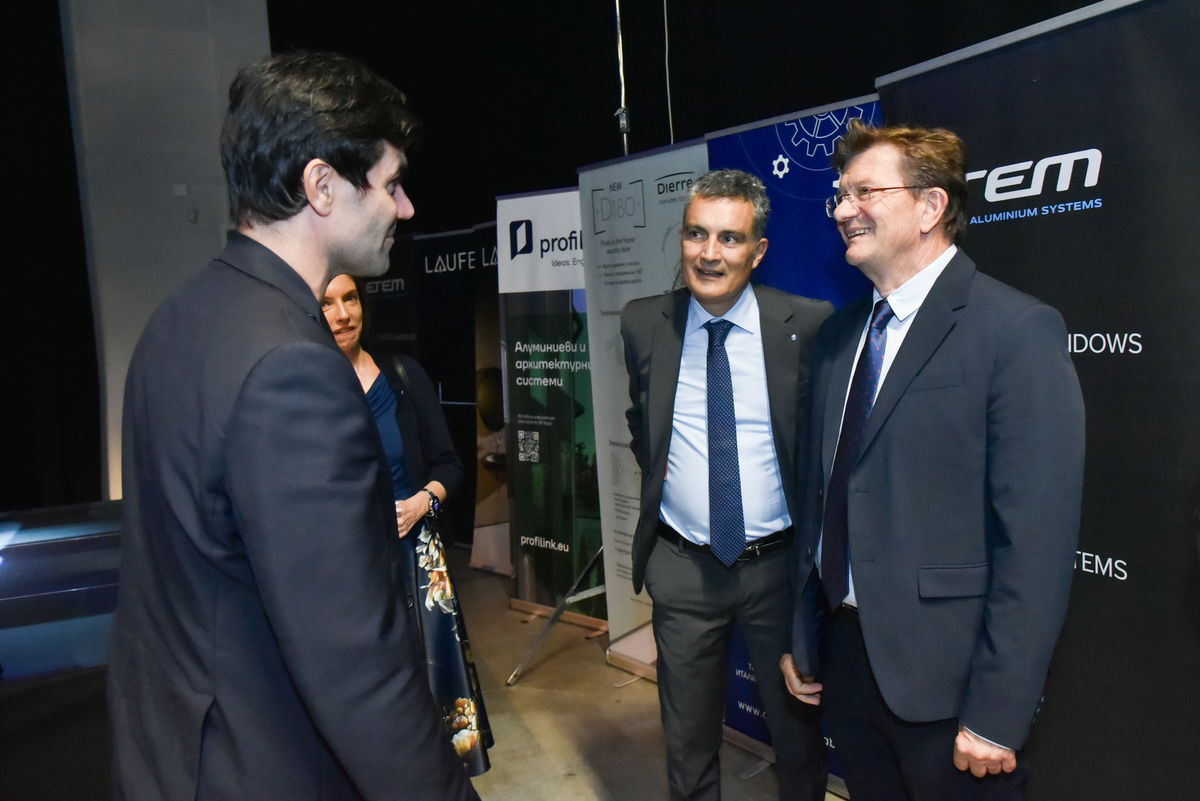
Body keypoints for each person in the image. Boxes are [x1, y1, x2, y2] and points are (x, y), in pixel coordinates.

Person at [110, 52, 479, 801]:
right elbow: (355, 664)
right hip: (263, 764)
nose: (405, 209)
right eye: (391, 184)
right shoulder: (293, 366)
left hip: (178, 751)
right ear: (322, 185)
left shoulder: (181, 316)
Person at [780, 120, 1085, 801]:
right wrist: (804, 636)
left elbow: (1035, 544)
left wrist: (997, 713)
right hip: (846, 665)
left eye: (865, 192)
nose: (843, 210)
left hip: (951, 685)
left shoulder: (1015, 330)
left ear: (930, 206)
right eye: (840, 195)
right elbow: (820, 499)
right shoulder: (836, 337)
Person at [620, 169, 831, 801]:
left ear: (758, 251)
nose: (709, 253)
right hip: (682, 568)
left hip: (779, 573)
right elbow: (641, 421)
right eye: (696, 234)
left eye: (729, 239)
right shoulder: (643, 322)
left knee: (798, 740)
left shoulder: (807, 324)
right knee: (687, 746)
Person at [322, 273, 492, 775]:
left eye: (351, 299)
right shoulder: (309, 391)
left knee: (433, 700)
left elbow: (450, 467)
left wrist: (422, 504)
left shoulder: (402, 375)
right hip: (349, 567)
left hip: (419, 561)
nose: (343, 315)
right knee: (369, 699)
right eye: (328, 304)